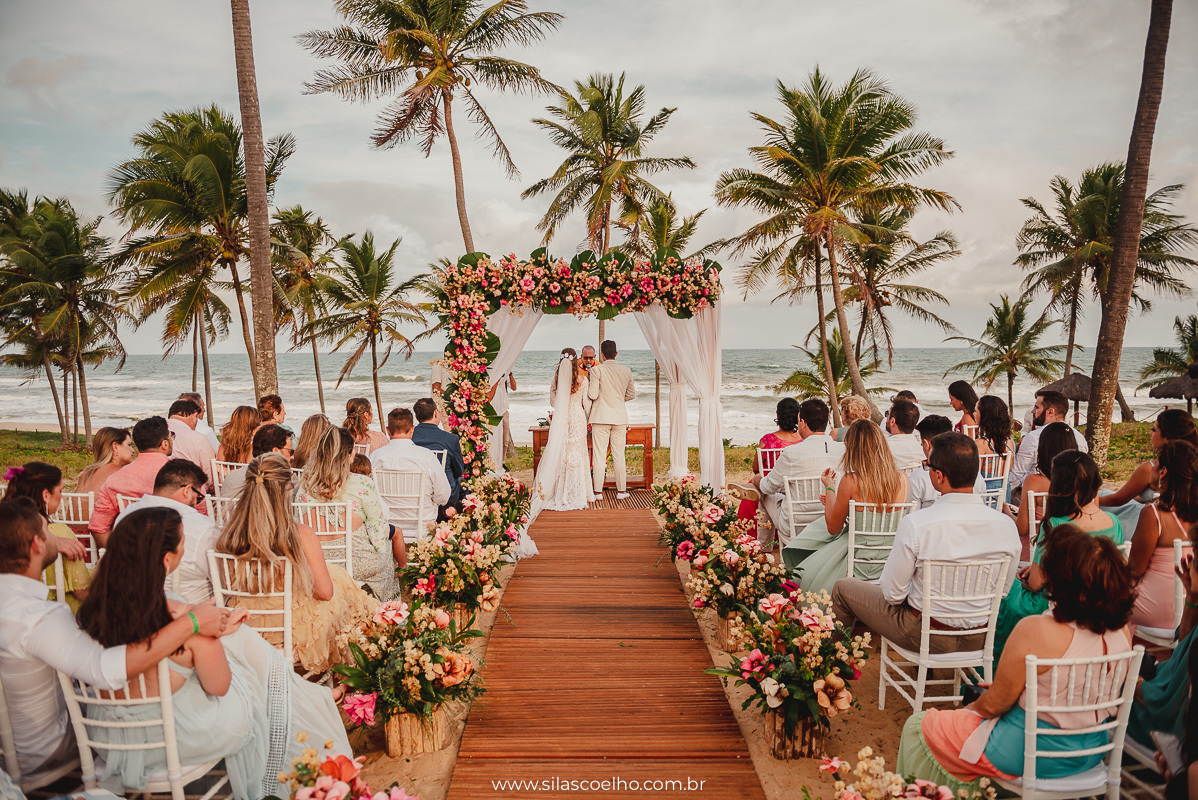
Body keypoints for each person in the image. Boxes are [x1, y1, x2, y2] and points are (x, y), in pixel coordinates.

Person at [77, 506, 351, 799]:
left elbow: (169, 613)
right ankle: (305, 704)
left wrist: (206, 620)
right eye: (182, 541)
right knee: (250, 684)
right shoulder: (190, 630)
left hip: (109, 736)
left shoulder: (89, 617)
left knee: (240, 644)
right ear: (167, 560)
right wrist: (210, 634)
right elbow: (219, 686)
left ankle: (306, 694)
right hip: (175, 737)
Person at [0, 497, 233, 784]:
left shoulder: (20, 610)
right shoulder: (38, 619)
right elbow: (108, 670)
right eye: (48, 530)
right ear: (37, 544)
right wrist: (192, 622)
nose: (54, 536)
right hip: (49, 751)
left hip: (16, 743)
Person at [896, 526, 1135, 794]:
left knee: (919, 726)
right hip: (1091, 750)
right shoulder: (1122, 631)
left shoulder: (1036, 629)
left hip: (1030, 752)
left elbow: (993, 705)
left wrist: (969, 711)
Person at [831, 433, 1020, 655]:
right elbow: (1003, 591)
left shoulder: (917, 523)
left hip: (923, 634)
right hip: (980, 636)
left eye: (927, 465)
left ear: (939, 475)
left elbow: (893, 595)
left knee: (842, 588)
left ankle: (834, 663)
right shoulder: (1006, 526)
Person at [217, 454, 376, 673]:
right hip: (292, 628)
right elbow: (325, 592)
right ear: (287, 490)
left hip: (245, 624)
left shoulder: (229, 536)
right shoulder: (300, 535)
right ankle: (354, 672)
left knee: (344, 584)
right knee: (349, 595)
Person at [991, 450, 1122, 665]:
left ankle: (1004, 665)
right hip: (1097, 601)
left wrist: (1035, 574)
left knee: (1007, 595)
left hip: (1059, 604)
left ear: (1060, 486)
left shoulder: (1056, 524)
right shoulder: (1113, 522)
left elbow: (1036, 583)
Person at [782, 419, 909, 594]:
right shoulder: (903, 480)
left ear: (853, 449)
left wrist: (829, 487)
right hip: (889, 562)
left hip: (856, 559)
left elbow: (833, 528)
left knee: (804, 572)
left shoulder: (851, 480)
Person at [303, 427, 403, 597]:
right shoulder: (362, 483)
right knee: (386, 549)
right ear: (350, 455)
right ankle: (383, 606)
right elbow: (377, 532)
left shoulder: (304, 486)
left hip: (316, 561)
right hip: (358, 562)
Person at [1127, 526, 1198, 753]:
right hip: (1166, 696)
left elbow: (1164, 707)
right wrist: (1191, 599)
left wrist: (1133, 682)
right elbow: (1183, 644)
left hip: (1167, 730)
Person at [115, 458, 216, 603]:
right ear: (187, 490)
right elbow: (224, 578)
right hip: (193, 614)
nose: (197, 504)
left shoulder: (126, 514)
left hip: (130, 605)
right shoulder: (203, 527)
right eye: (198, 498)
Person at [752, 399, 845, 546]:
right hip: (832, 521)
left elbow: (767, 486)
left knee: (765, 494)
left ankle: (763, 548)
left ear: (803, 422)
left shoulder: (792, 452)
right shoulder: (842, 449)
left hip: (797, 525)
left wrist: (757, 479)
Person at [1127, 440, 1198, 630]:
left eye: (1155, 462)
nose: (1152, 465)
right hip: (1193, 607)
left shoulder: (1154, 514)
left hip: (1157, 608)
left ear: (1164, 472)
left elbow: (1135, 569)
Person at [3, 463, 90, 610]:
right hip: (63, 613)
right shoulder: (59, 532)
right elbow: (81, 591)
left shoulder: (6, 528)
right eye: (60, 491)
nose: (62, 496)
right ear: (45, 495)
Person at [1101, 408, 1198, 530]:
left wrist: (1088, 500)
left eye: (1154, 430)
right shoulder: (1192, 465)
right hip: (1186, 525)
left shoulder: (1152, 468)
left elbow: (1117, 500)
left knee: (1105, 502)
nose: (1150, 434)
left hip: (1157, 525)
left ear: (1167, 437)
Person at [89, 416, 174, 544]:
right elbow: (199, 516)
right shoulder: (182, 474)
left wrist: (121, 555)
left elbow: (98, 528)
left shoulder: (114, 480)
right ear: (165, 444)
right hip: (172, 549)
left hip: (131, 548)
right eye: (171, 436)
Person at [370, 408, 452, 534]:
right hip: (423, 525)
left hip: (386, 526)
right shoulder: (427, 457)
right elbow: (443, 496)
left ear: (387, 430)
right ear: (412, 429)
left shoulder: (375, 457)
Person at [533, 349, 593, 513]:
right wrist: (590, 421)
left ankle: (558, 492)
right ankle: (577, 491)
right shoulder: (583, 379)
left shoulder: (556, 380)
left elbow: (553, 402)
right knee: (577, 452)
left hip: (561, 418)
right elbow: (586, 404)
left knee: (561, 452)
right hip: (577, 417)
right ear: (577, 361)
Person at [738, 398, 804, 543]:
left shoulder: (767, 440)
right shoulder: (804, 440)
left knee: (755, 484)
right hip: (796, 487)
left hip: (771, 487)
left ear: (778, 416)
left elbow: (756, 468)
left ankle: (757, 537)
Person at [1008, 390, 1089, 494]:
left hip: (1035, 496)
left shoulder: (1033, 438)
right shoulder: (1080, 439)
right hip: (1071, 496)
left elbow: (1014, 475)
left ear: (1050, 412)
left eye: (1037, 407)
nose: (1033, 411)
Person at [1008, 422, 1079, 539]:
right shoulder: (1082, 480)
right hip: (1072, 543)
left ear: (1043, 449)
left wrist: (1008, 513)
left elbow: (1022, 529)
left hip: (1039, 545)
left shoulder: (1034, 482)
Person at [587, 340, 636, 501]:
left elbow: (592, 395)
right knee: (618, 454)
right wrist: (617, 400)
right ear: (616, 353)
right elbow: (631, 394)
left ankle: (598, 492)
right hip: (620, 417)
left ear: (601, 354)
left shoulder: (596, 370)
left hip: (600, 417)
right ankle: (621, 491)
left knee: (600, 456)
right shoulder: (626, 371)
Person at [907, 416, 987, 509]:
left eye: (922, 445)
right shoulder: (975, 475)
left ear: (926, 444)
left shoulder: (918, 477)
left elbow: (913, 511)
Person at [412, 397, 466, 508]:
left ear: (416, 417)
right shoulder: (450, 439)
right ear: (436, 413)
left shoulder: (409, 437)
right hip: (446, 496)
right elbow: (459, 470)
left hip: (416, 491)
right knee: (462, 482)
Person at [218, 424, 293, 500]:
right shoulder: (283, 482)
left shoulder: (231, 477)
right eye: (290, 452)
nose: (292, 457)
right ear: (275, 451)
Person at [167, 398, 217, 490]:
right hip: (193, 494)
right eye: (196, 417)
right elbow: (210, 476)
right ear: (193, 415)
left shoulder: (156, 433)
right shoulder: (198, 439)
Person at [75, 427, 134, 498]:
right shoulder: (121, 473)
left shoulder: (86, 474)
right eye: (129, 445)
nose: (133, 450)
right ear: (115, 446)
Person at [973, 395, 1015, 494]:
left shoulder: (981, 444)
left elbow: (974, 476)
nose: (973, 413)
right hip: (1004, 493)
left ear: (984, 416)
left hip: (986, 495)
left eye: (976, 411)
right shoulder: (1010, 441)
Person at [885, 399, 924, 471]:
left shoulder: (883, 449)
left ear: (893, 421)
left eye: (888, 414)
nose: (886, 418)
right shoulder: (923, 452)